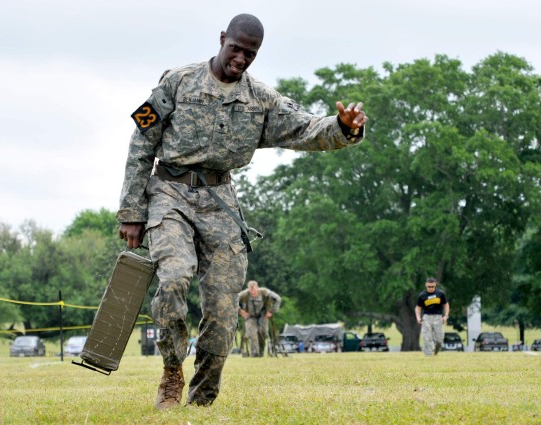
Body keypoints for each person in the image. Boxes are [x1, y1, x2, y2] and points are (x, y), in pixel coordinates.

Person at [117, 13, 367, 409]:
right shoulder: (177, 82)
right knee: (174, 278)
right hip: (169, 193)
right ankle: (170, 373)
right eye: (235, 48)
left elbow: (304, 128)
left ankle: (203, 398)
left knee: (221, 306)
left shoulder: (260, 100)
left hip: (219, 202)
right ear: (221, 39)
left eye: (250, 53)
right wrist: (131, 210)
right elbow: (141, 142)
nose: (240, 58)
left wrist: (343, 126)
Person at [238, 280, 281, 357]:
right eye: (251, 290)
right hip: (249, 317)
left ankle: (260, 353)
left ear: (257, 287)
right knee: (252, 334)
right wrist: (240, 311)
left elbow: (278, 299)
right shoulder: (244, 294)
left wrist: (271, 311)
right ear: (248, 289)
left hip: (263, 316)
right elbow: (233, 300)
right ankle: (255, 354)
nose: (253, 292)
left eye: (254, 290)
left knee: (263, 334)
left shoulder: (265, 292)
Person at [415, 277, 450, 356]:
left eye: (432, 287)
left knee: (439, 340)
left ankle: (435, 352)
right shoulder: (422, 295)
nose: (430, 288)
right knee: (426, 337)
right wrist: (418, 317)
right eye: (429, 287)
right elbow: (418, 308)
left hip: (438, 317)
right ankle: (428, 356)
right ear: (426, 285)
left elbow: (446, 305)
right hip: (427, 317)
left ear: (435, 285)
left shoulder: (440, 294)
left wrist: (446, 316)